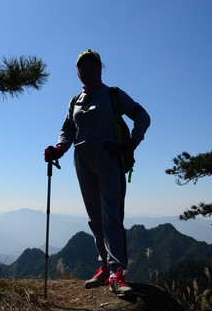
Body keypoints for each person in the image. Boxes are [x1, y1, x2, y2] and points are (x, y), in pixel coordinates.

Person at [44, 49, 150, 297]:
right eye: (83, 66)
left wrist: (131, 143)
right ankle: (105, 266)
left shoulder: (113, 95)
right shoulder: (74, 101)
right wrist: (59, 148)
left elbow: (142, 116)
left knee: (111, 216)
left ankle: (117, 272)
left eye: (92, 65)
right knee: (95, 218)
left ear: (100, 68)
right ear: (78, 71)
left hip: (109, 158)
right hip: (82, 161)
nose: (87, 69)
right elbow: (68, 128)